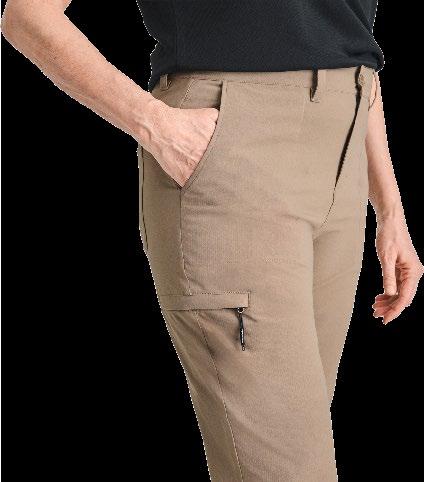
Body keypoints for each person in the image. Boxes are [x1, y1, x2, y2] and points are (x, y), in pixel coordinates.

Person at [2, 1, 423, 480]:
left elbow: (348, 37)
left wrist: (389, 208)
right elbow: (28, 15)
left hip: (346, 156)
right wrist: (156, 125)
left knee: (283, 449)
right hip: (233, 154)